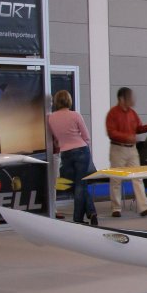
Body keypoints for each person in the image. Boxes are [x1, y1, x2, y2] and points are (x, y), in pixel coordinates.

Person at [106, 87, 147, 218]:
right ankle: (116, 208)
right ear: (121, 99)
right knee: (116, 179)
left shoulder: (132, 113)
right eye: (130, 97)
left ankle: (144, 207)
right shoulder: (112, 114)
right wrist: (127, 137)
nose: (133, 100)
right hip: (118, 149)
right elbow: (111, 132)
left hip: (132, 149)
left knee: (138, 177)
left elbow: (138, 128)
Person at [48, 90, 97, 225]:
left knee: (75, 185)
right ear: (69, 101)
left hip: (65, 153)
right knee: (81, 185)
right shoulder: (75, 115)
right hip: (81, 150)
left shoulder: (51, 118)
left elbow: (55, 139)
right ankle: (80, 217)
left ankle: (90, 213)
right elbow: (86, 136)